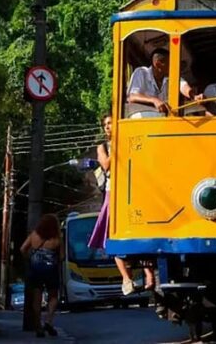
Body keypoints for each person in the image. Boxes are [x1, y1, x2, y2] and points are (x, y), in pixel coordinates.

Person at [87, 114, 154, 296]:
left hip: (132, 191)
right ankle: (126, 278)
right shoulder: (103, 147)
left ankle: (149, 275)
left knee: (141, 231)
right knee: (112, 234)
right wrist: (116, 146)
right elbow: (107, 165)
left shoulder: (131, 141)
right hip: (113, 193)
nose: (108, 127)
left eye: (111, 123)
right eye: (106, 125)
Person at [21, 214, 62, 338]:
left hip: (35, 269)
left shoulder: (34, 235)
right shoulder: (57, 238)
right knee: (53, 296)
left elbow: (22, 249)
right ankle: (48, 321)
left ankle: (38, 327)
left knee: (36, 299)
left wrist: (30, 259)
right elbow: (62, 257)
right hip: (51, 269)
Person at [127, 48, 199, 116]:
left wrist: (194, 96)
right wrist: (154, 100)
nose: (172, 66)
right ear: (158, 64)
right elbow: (132, 97)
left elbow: (182, 85)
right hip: (142, 122)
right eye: (169, 63)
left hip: (162, 122)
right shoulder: (141, 73)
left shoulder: (170, 76)